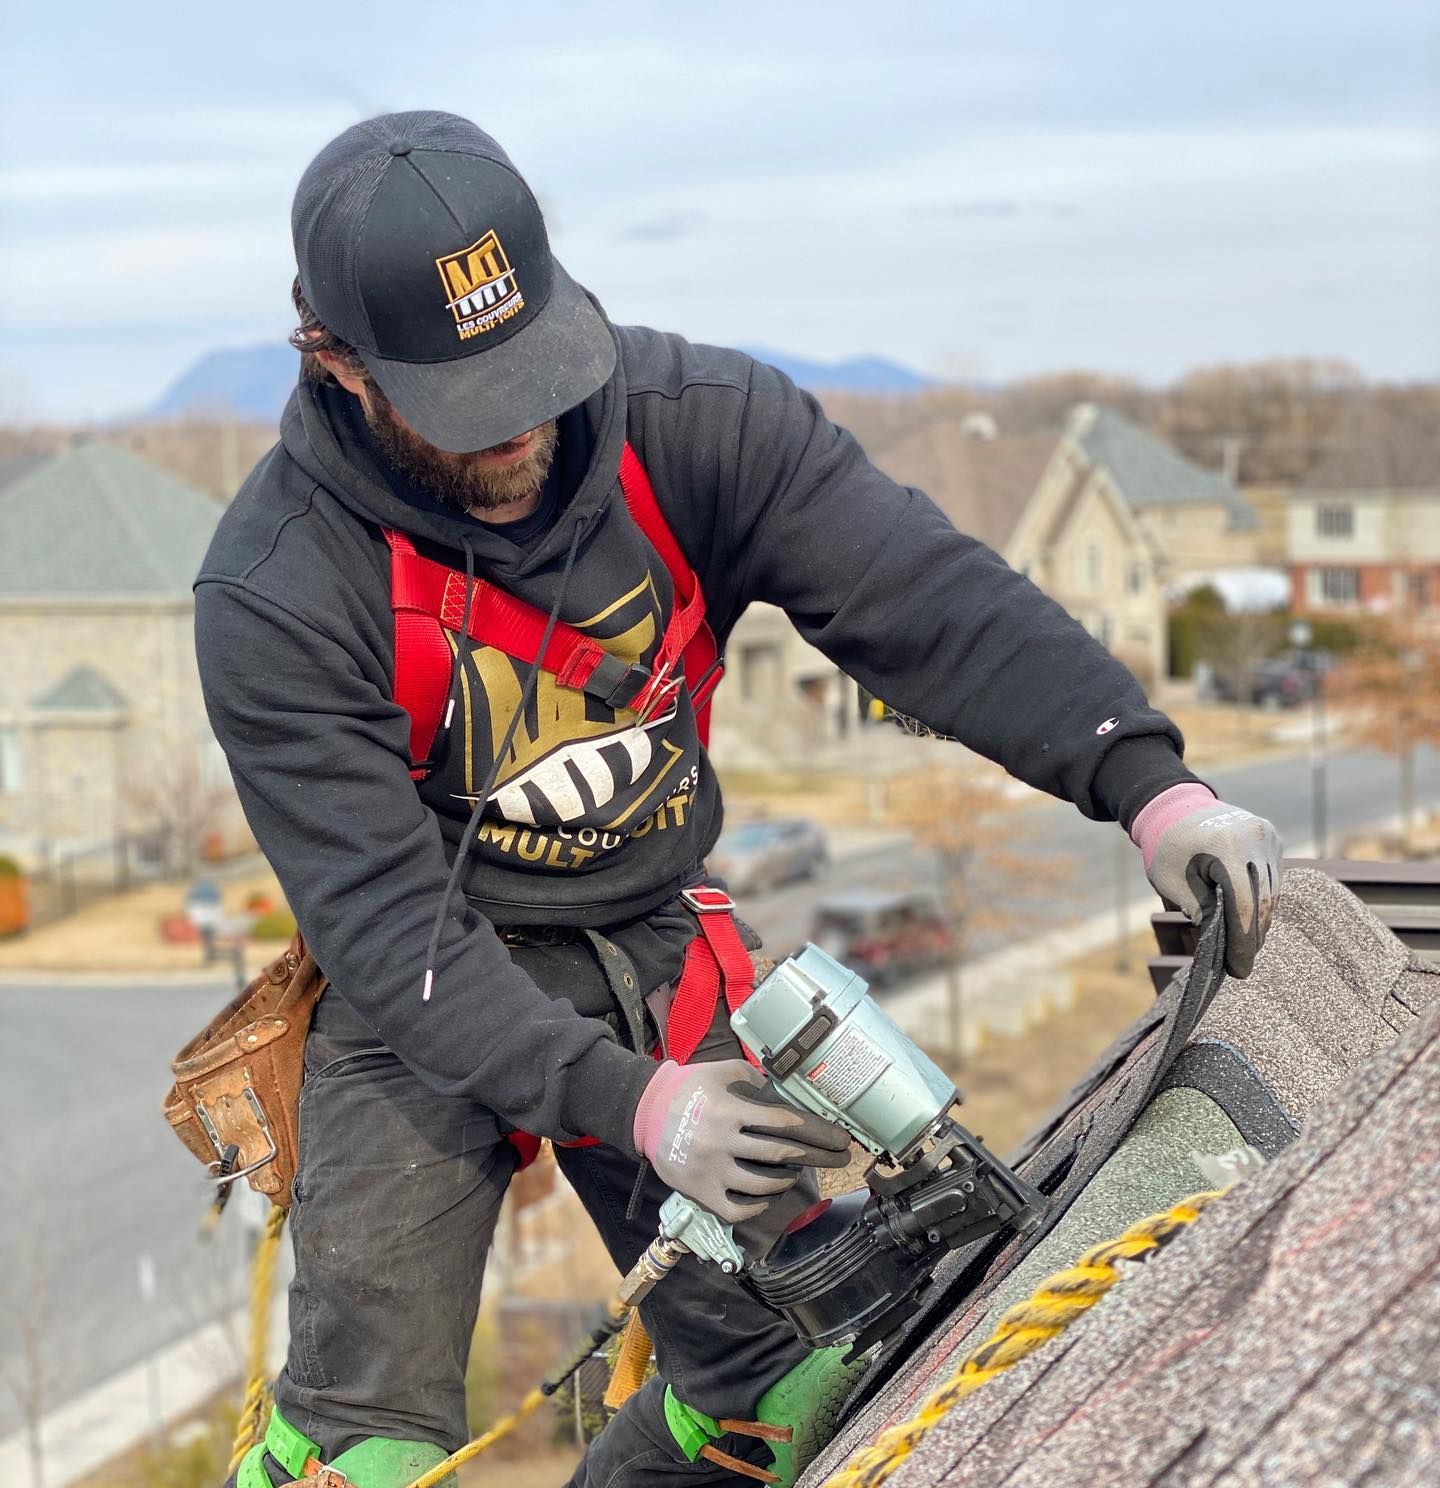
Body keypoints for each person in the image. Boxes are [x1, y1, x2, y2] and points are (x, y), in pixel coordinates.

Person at [198, 111, 1282, 1488]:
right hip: (422, 985)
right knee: (357, 1459)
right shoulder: (279, 588)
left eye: (535, 373)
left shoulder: (699, 429)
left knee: (803, 1379)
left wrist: (1150, 785)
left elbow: (929, 606)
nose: (525, 428)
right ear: (337, 363)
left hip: (651, 931)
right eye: (472, 409)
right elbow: (388, 926)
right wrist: (637, 1106)